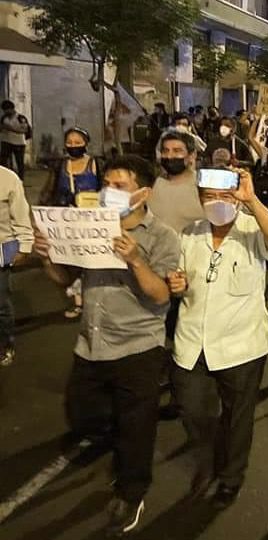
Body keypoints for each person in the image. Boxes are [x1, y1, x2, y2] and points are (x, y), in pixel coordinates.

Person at [33, 155, 179, 537]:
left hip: (138, 346)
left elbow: (161, 295)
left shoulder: (162, 236)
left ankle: (132, 493)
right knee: (81, 414)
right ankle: (116, 440)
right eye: (106, 185)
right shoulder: (90, 226)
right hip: (91, 343)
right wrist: (47, 257)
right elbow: (65, 277)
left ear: (143, 193)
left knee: (137, 429)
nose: (108, 192)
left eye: (119, 186)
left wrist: (135, 260)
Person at [167, 166, 268, 509]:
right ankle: (207, 459)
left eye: (225, 195)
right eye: (210, 196)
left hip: (241, 346)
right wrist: (177, 285)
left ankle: (230, 477)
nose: (217, 202)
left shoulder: (253, 228)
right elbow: (180, 279)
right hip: (192, 343)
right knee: (192, 410)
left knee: (237, 418)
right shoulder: (189, 234)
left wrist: (252, 200)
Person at [39, 127, 102, 319]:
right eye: (70, 142)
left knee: (91, 262)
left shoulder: (96, 164)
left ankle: (93, 299)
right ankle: (78, 302)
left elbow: (106, 188)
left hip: (91, 222)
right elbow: (48, 191)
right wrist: (41, 214)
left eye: (78, 142)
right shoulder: (60, 166)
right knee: (72, 261)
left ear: (86, 143)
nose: (73, 146)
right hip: (65, 220)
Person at [0, 164, 33, 366]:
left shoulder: (8, 178)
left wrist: (25, 245)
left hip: (1, 249)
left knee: (0, 303)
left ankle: (5, 344)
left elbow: (21, 214)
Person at [150, 130, 205, 235]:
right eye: (165, 151)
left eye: (177, 151)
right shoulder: (153, 183)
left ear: (192, 155)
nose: (169, 156)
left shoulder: (203, 185)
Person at [0, 100, 29, 180]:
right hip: (6, 141)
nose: (5, 112)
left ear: (11, 109)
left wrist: (11, 129)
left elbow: (24, 130)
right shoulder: (4, 118)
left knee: (19, 162)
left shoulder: (20, 118)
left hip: (18, 143)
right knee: (3, 161)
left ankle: (20, 180)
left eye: (7, 110)